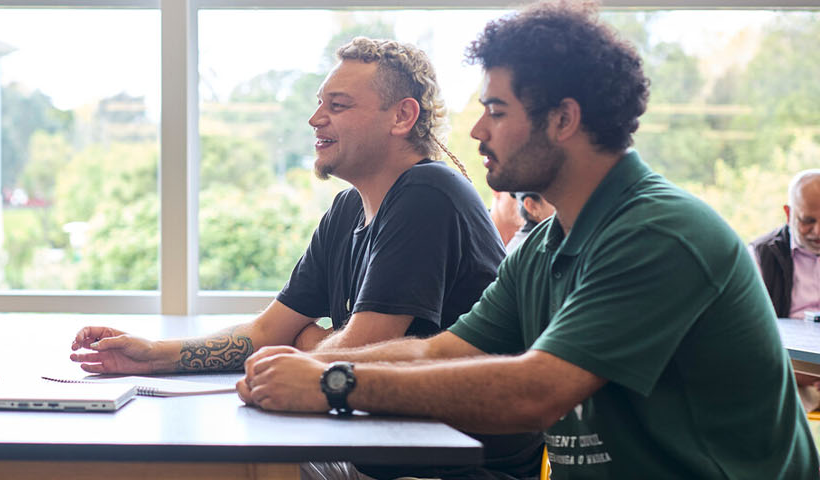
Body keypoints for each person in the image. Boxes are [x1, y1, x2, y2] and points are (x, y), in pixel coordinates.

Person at [238, 3, 819, 477]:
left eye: (496, 109)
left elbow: (536, 392)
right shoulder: (543, 249)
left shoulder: (658, 232)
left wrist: (333, 380)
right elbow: (440, 351)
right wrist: (309, 363)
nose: (475, 130)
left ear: (562, 120)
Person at [71, 38, 539, 479]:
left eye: (337, 106)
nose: (315, 119)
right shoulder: (348, 209)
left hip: (446, 469)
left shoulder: (428, 193)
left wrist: (312, 345)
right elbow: (269, 332)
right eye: (319, 104)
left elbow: (357, 353)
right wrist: (151, 356)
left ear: (402, 117)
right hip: (379, 453)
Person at [752, 169, 820, 320]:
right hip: (784, 342)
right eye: (808, 220)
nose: (818, 231)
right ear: (789, 214)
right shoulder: (760, 256)